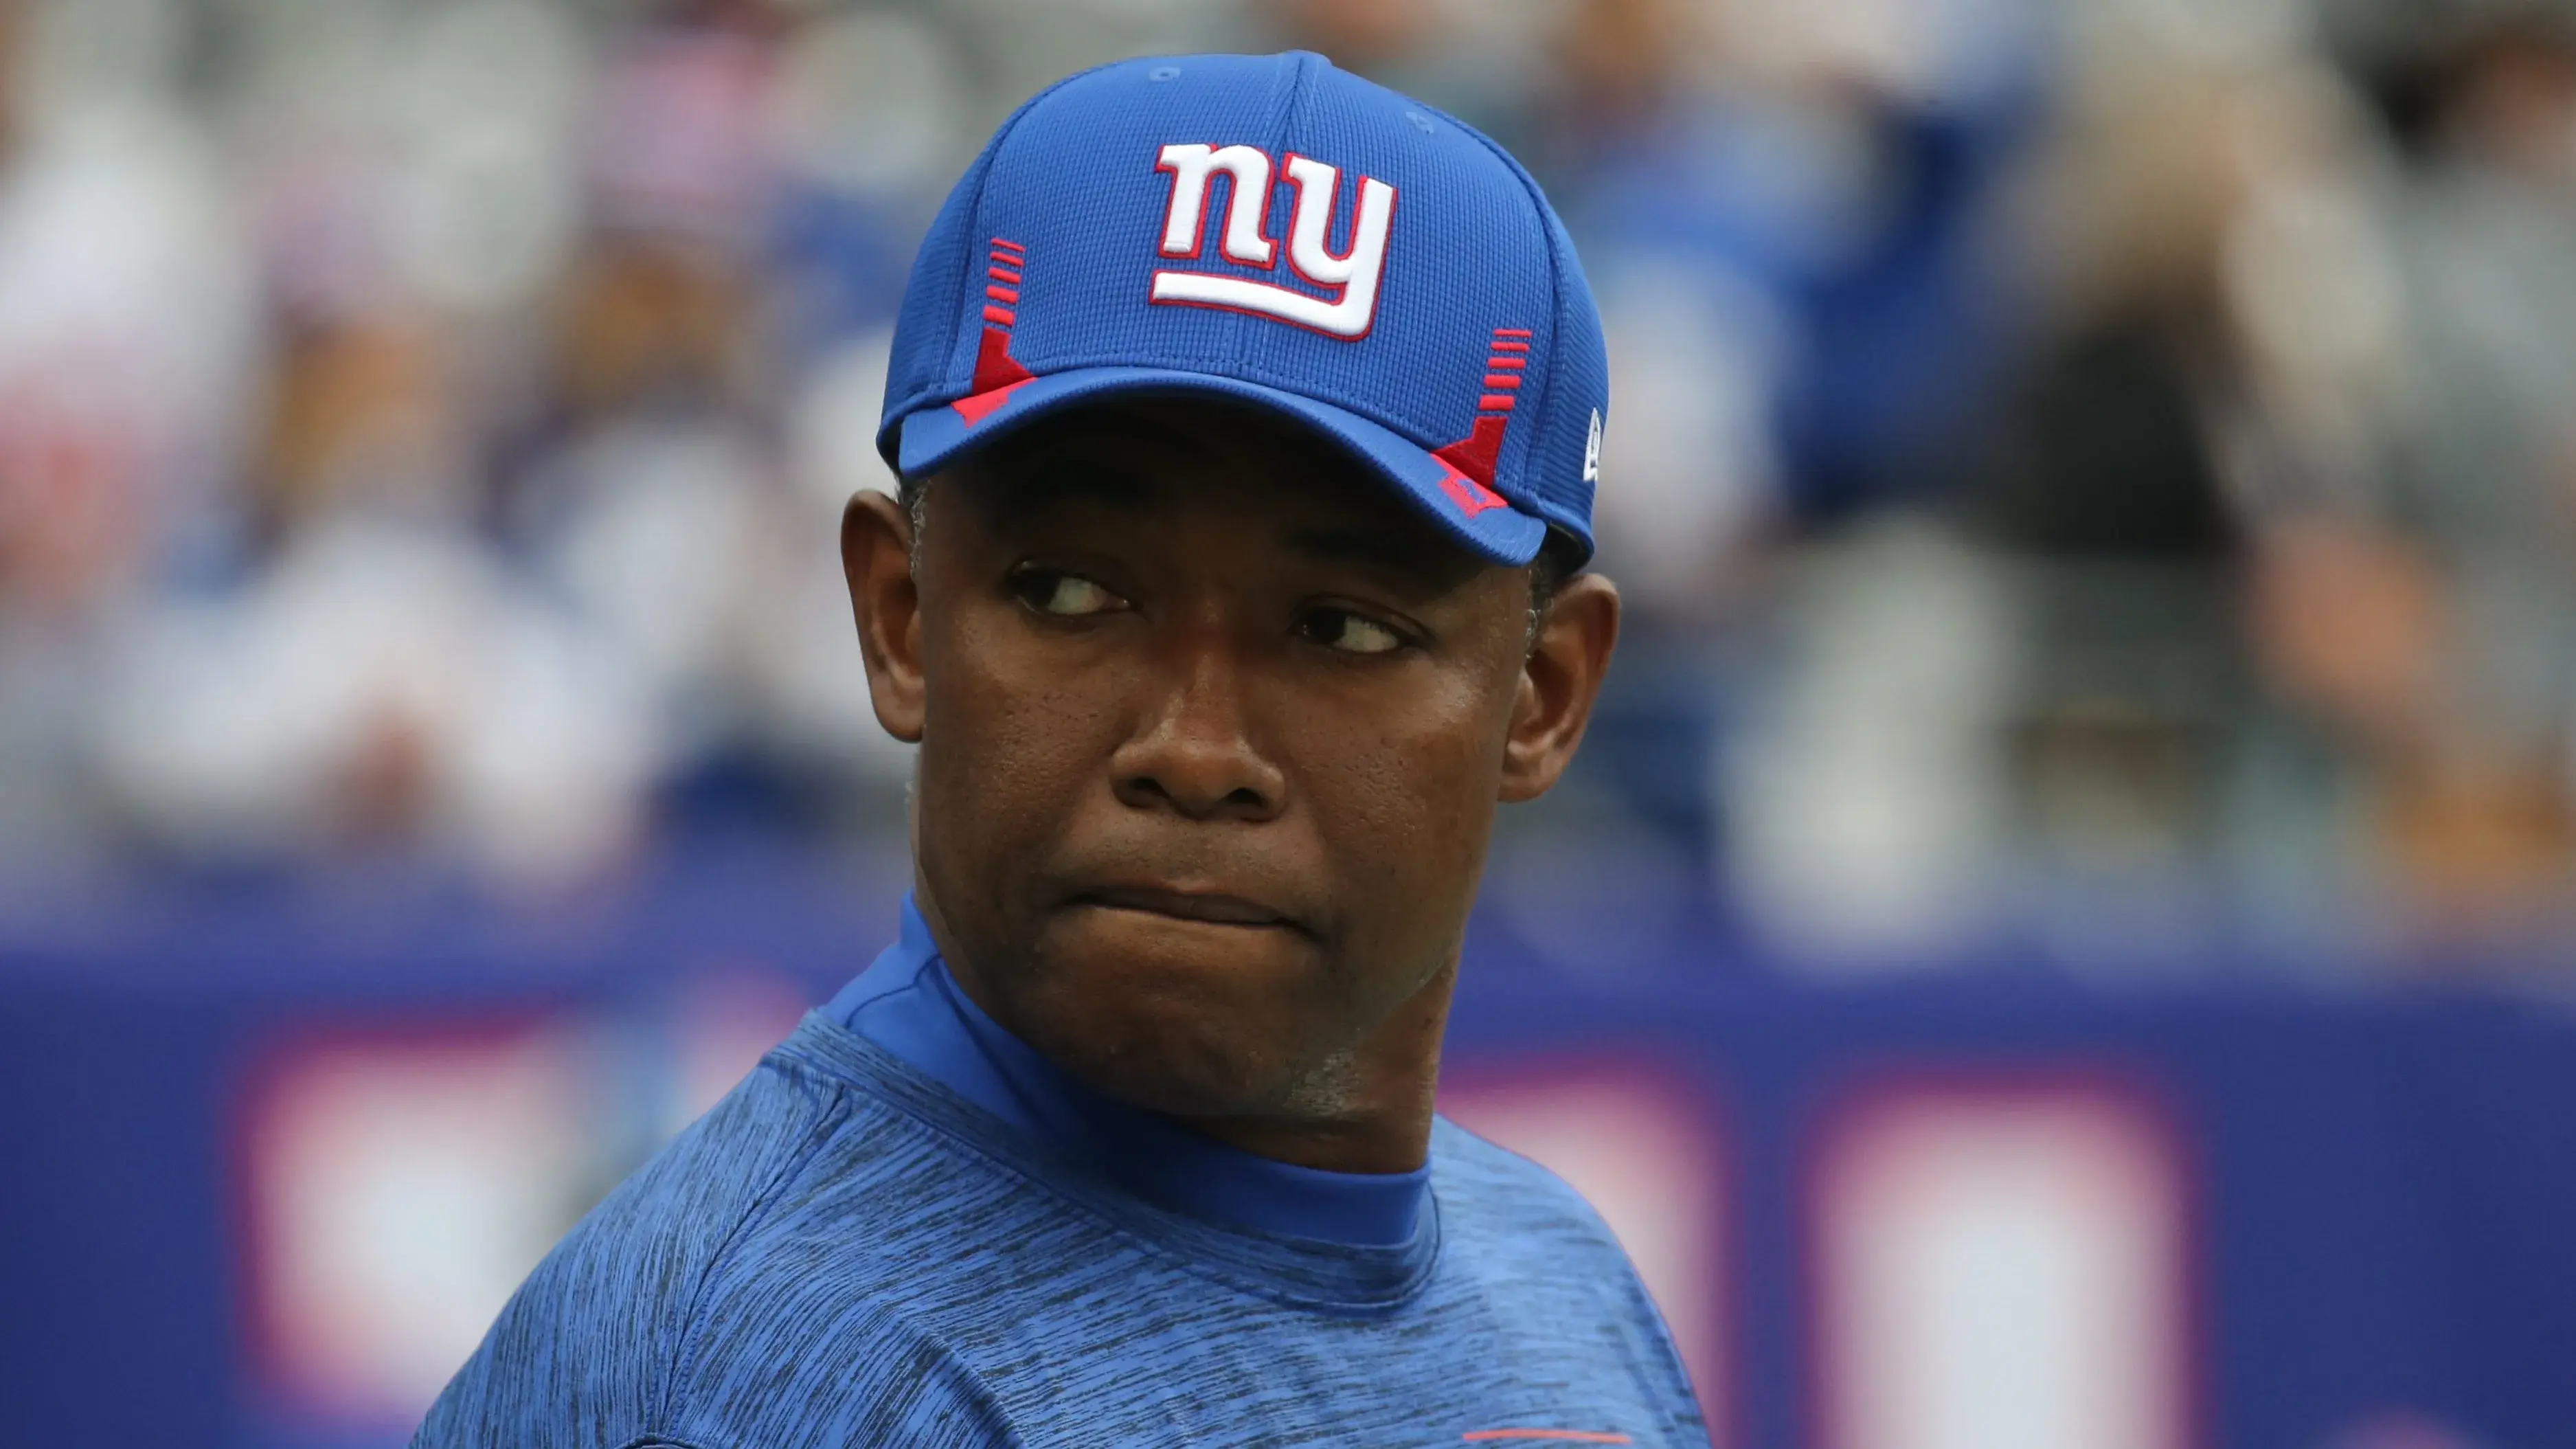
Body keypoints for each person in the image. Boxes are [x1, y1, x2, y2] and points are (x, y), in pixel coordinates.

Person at [417, 51, 1704, 1447]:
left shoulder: (1563, 1285)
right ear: (901, 620)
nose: (1196, 748)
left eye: (1342, 627)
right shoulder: (771, 1370)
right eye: (1071, 593)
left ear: (1544, 693)